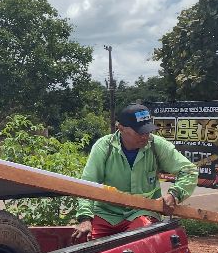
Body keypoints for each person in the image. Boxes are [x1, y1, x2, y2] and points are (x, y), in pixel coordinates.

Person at [72, 103, 198, 241]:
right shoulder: (104, 147)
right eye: (140, 132)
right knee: (82, 243)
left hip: (142, 211)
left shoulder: (156, 145)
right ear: (121, 128)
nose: (145, 136)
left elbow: (189, 170)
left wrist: (174, 194)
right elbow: (88, 184)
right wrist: (85, 218)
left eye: (148, 131)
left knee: (138, 241)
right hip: (106, 212)